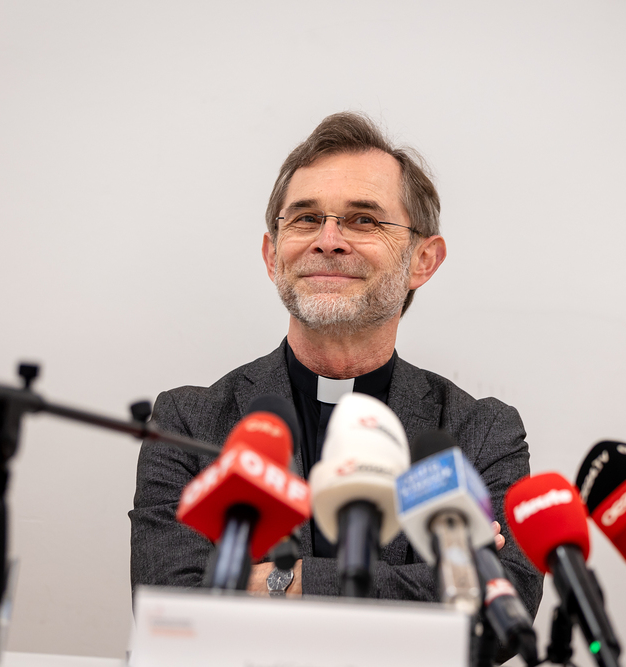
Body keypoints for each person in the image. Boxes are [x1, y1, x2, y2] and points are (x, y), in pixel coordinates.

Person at [129, 112, 542, 614]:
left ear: (423, 260)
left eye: (363, 220)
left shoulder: (481, 431)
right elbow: (169, 607)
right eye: (305, 218)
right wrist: (423, 583)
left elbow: (501, 607)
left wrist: (282, 580)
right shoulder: (186, 422)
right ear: (272, 256)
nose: (328, 240)